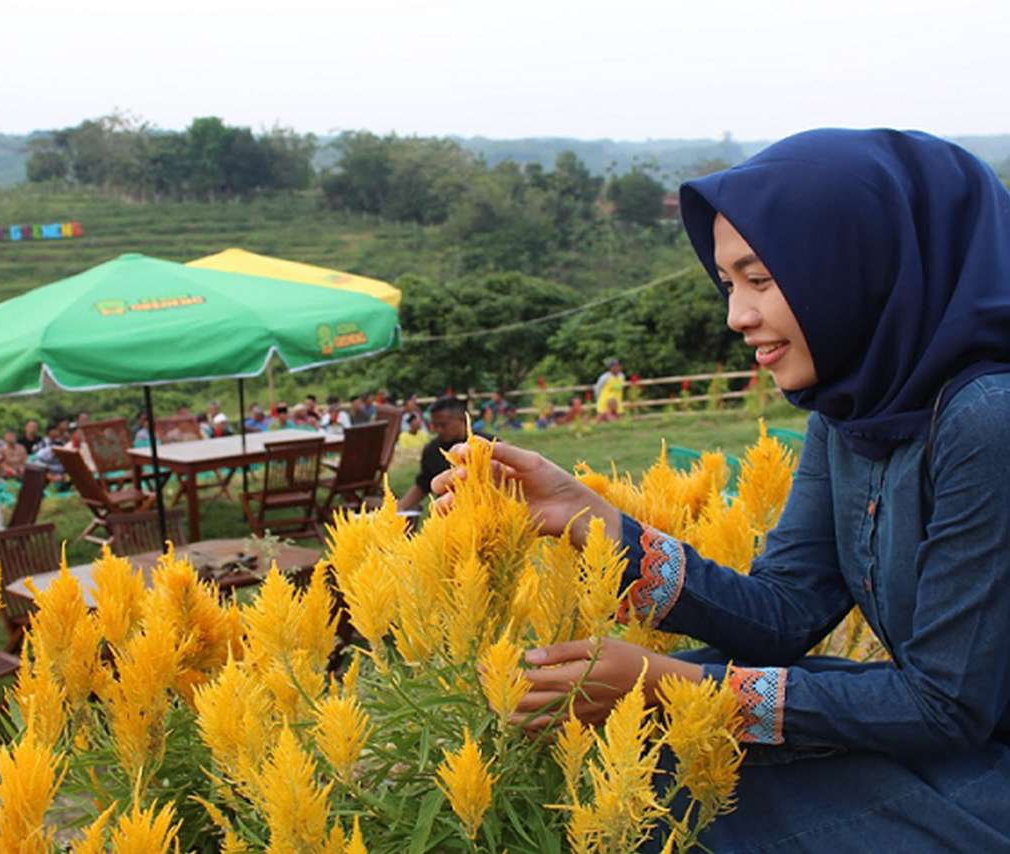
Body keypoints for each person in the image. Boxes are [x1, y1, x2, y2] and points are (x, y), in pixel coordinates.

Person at [433, 130, 1010, 850]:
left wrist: (677, 687)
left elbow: (947, 705)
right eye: (729, 284)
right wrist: (595, 522)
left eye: (761, 280)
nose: (737, 315)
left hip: (986, 770)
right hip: (956, 747)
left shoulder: (986, 418)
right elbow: (786, 612)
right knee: (667, 743)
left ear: (862, 264)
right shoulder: (853, 408)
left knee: (690, 765)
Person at [398, 397, 485, 512]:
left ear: (462, 419)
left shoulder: (485, 445)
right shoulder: (432, 450)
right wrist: (399, 508)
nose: (438, 430)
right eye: (435, 425)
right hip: (447, 513)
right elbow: (423, 485)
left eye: (443, 425)